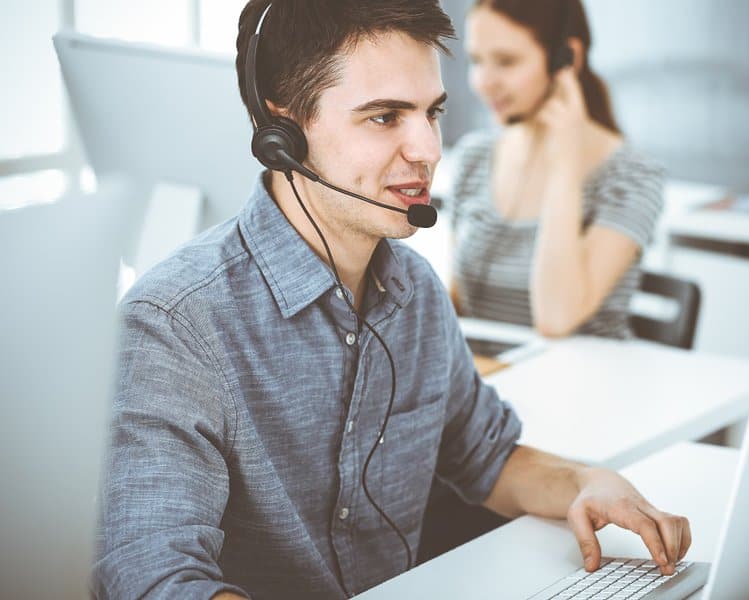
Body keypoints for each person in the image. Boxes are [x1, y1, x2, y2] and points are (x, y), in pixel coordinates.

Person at [91, 1, 690, 598]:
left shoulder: (416, 293)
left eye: (433, 113)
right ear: (283, 129)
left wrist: (586, 481)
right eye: (384, 117)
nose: (428, 148)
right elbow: (154, 578)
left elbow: (486, 456)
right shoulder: (178, 323)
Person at [449, 0, 665, 338]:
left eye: (506, 61)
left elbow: (556, 319)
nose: (484, 81)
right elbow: (457, 304)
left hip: (583, 384)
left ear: (566, 59)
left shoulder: (631, 176)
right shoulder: (473, 157)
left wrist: (565, 164)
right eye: (476, 61)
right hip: (489, 380)